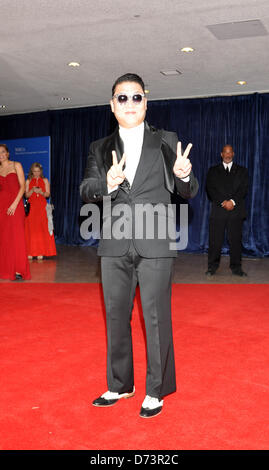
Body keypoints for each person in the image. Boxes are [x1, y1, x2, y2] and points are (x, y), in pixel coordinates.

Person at [80, 73, 199, 418]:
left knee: (156, 318)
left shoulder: (165, 141)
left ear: (145, 103)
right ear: (112, 106)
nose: (129, 103)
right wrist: (107, 182)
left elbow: (187, 192)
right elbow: (86, 189)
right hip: (114, 243)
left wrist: (182, 175)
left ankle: (156, 390)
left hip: (156, 242)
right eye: (122, 98)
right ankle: (120, 385)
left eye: (136, 98)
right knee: (116, 317)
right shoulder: (99, 148)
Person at [206, 144, 248, 277]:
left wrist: (233, 202)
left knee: (235, 240)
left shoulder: (242, 171)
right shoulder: (213, 171)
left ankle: (236, 267)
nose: (228, 155)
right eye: (225, 152)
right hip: (218, 211)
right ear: (221, 154)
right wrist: (223, 202)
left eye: (230, 152)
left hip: (236, 211)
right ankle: (212, 267)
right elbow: (210, 189)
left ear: (233, 154)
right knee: (215, 241)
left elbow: (243, 189)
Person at [0, 144, 31, 280]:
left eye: (2, 152)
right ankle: (6, 268)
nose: (1, 155)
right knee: (4, 238)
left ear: (7, 153)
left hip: (16, 205)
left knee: (17, 236)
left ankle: (18, 269)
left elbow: (23, 186)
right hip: (2, 206)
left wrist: (14, 204)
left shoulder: (16, 165)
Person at [25, 162, 56, 260]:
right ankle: (30, 251)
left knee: (41, 229)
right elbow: (26, 195)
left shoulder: (45, 180)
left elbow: (48, 194)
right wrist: (32, 190)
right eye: (34, 171)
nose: (36, 173)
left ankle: (41, 252)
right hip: (32, 207)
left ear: (41, 171)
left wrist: (41, 192)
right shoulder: (28, 181)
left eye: (38, 171)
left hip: (42, 207)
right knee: (31, 229)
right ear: (32, 171)